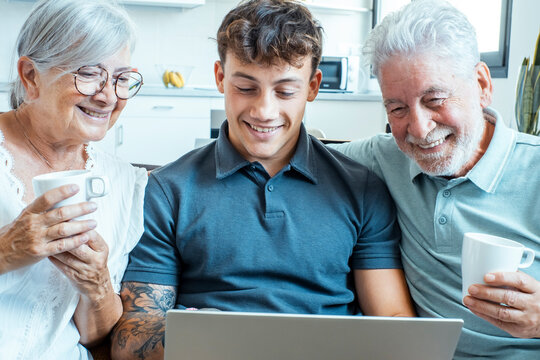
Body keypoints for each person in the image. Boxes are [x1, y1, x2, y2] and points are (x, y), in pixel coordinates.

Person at [111, 0, 415, 358]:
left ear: (313, 86)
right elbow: (131, 340)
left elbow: (393, 321)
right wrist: (223, 341)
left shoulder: (362, 189)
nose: (263, 111)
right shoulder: (166, 191)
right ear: (221, 78)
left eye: (285, 92)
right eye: (245, 87)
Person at [329, 0, 540, 358]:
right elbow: (298, 154)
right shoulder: (381, 159)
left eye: (435, 99)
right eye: (397, 108)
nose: (419, 128)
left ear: (481, 84)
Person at [0, 0, 147, 359]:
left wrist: (96, 286)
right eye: (89, 73)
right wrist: (5, 252)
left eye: (121, 79)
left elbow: (96, 338)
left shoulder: (123, 182)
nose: (108, 96)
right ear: (31, 76)